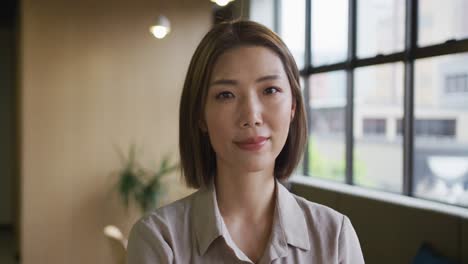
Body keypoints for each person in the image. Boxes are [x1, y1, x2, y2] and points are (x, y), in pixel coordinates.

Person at [127, 20, 364, 264]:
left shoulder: (335, 237)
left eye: (270, 90)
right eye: (226, 95)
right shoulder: (159, 240)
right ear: (200, 115)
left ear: (293, 105)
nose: (251, 116)